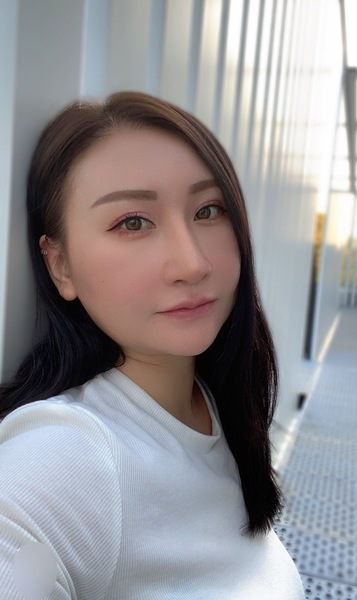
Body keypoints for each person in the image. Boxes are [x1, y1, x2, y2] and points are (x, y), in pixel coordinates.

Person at [0, 91, 304, 599]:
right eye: (133, 223)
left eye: (208, 210)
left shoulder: (211, 403)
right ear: (61, 265)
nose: (192, 264)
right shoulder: (68, 455)